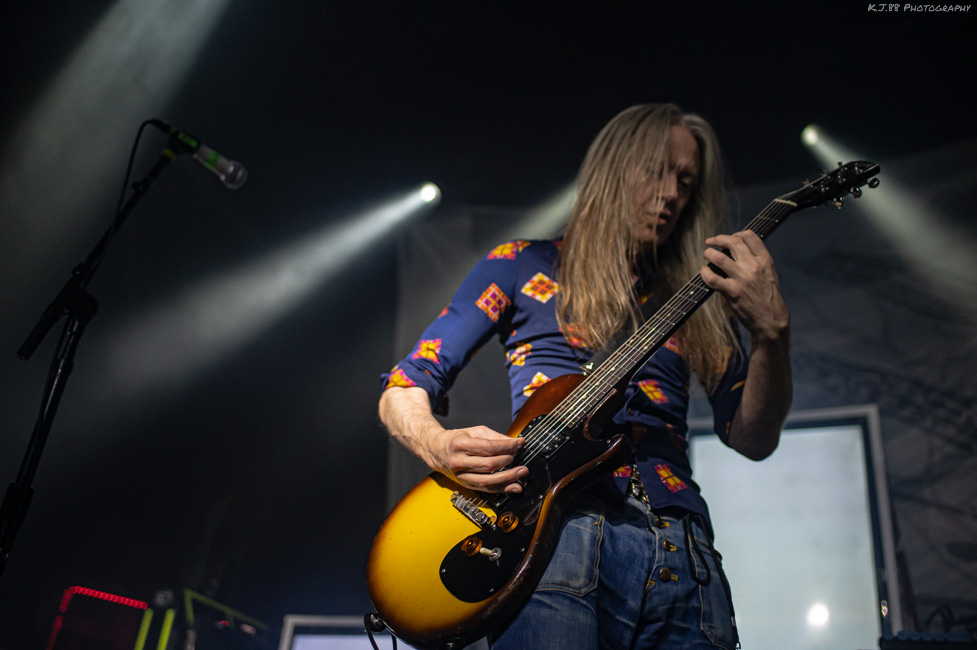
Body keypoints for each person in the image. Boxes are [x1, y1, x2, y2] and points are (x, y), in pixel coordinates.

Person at [378, 103, 792, 649]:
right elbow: (407, 384)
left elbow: (753, 438)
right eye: (655, 171)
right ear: (612, 170)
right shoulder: (520, 263)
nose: (671, 194)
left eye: (686, 181)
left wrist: (772, 334)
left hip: (681, 546)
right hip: (555, 533)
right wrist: (437, 445)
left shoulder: (700, 299)